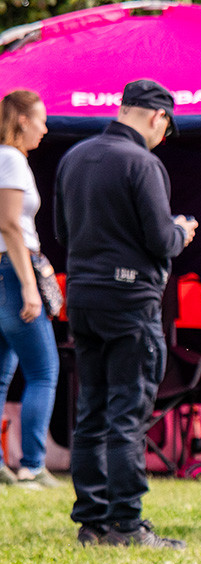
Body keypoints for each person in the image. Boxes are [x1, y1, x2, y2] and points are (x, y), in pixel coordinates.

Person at [54, 79, 198, 548]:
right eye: (167, 127)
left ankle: (92, 522)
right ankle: (127, 523)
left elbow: (60, 231)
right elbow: (161, 241)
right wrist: (181, 231)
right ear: (158, 117)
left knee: (90, 409)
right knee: (127, 412)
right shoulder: (143, 163)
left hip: (83, 297)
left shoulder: (73, 157)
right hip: (131, 301)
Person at [0, 90, 60, 488]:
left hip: (7, 267)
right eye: (40, 119)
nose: (45, 127)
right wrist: (29, 285)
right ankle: (33, 464)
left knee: (3, 373)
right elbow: (9, 224)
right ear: (22, 119)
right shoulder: (11, 159)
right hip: (12, 269)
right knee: (43, 370)